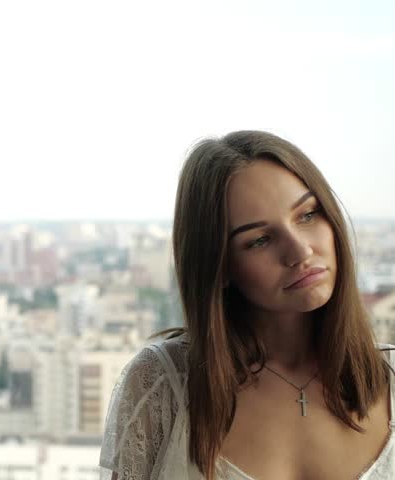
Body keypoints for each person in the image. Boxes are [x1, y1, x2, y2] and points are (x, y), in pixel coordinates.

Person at [99, 130, 395, 479]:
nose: (300, 251)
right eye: (260, 240)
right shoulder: (162, 385)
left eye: (307, 215)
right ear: (219, 265)